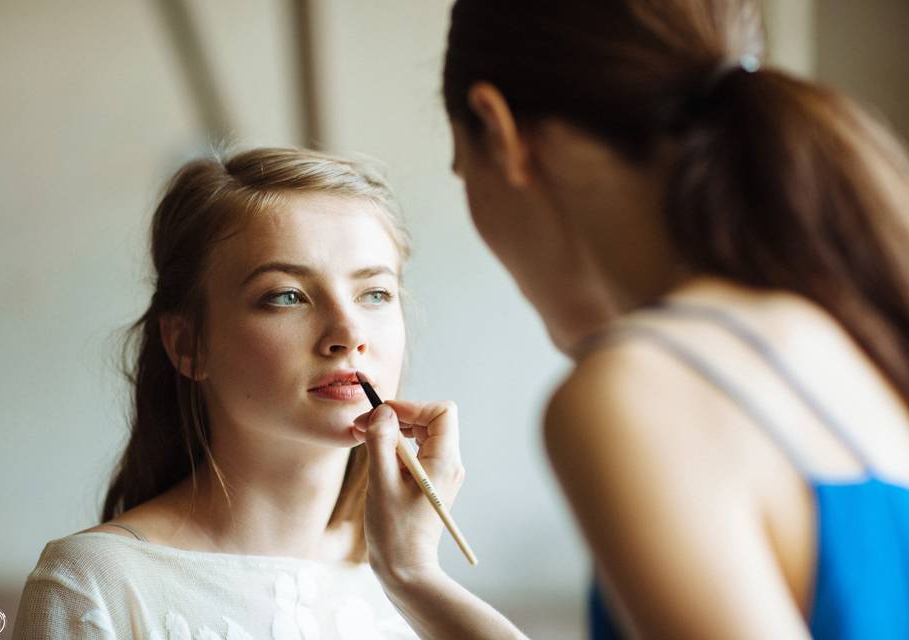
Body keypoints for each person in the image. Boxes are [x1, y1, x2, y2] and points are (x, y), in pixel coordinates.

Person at [356, 0, 909, 638]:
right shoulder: (853, 336)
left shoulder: (638, 391)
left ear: (499, 130)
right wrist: (411, 573)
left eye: (462, 170)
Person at [11, 147, 433, 639]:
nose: (348, 331)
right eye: (286, 296)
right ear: (188, 344)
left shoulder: (407, 581)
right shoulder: (93, 584)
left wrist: (418, 580)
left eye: (375, 294)